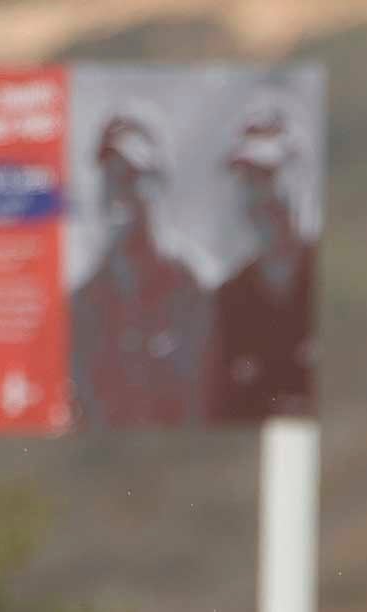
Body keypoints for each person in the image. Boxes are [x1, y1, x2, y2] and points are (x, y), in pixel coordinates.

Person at [70, 113, 209, 428]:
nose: (118, 191)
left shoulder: (199, 289)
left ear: (161, 183)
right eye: (109, 176)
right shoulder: (82, 304)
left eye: (130, 176)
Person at [206, 104, 317, 423]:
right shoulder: (228, 299)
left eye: (269, 175)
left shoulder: (334, 278)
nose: (260, 196)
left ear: (302, 177)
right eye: (248, 180)